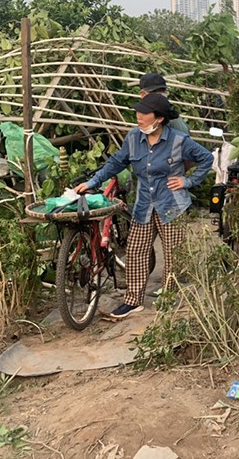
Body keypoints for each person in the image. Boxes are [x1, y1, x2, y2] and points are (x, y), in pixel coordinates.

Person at [74, 93, 213, 320]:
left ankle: (168, 300)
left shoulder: (179, 141)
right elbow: (116, 163)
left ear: (158, 118)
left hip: (172, 206)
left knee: (173, 255)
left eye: (143, 114)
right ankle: (133, 301)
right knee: (136, 251)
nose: (138, 117)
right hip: (144, 206)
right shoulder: (133, 139)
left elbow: (206, 158)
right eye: (137, 113)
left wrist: (188, 181)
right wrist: (92, 182)